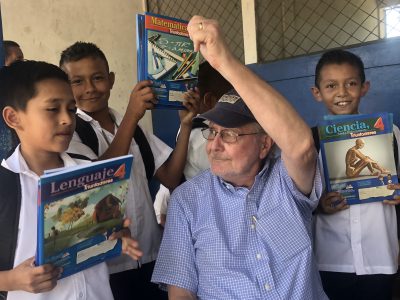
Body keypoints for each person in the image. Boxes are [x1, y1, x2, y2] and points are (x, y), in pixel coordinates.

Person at [151, 16, 327, 299]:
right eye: (212, 132)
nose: (214, 145)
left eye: (230, 134)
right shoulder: (187, 201)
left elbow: (302, 146)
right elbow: (181, 293)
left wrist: (224, 62)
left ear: (264, 144)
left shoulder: (286, 183)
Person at [59, 42, 199, 299]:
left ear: (111, 80)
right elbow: (101, 182)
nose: (90, 88)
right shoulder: (71, 134)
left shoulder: (134, 130)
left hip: (152, 254)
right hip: (108, 265)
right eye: (77, 82)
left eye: (98, 78)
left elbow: (170, 177)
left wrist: (186, 126)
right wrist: (132, 116)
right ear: (66, 87)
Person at [0, 60, 142, 300]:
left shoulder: (90, 173)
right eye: (53, 109)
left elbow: (101, 239)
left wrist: (118, 238)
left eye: (71, 109)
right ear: (13, 117)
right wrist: (11, 280)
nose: (67, 119)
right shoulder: (5, 186)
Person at [311, 49, 400, 300]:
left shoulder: (390, 133)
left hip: (380, 254)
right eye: (331, 85)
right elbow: (296, 195)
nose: (342, 92)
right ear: (316, 93)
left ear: (364, 87)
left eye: (351, 83)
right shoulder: (310, 141)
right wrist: (318, 205)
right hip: (330, 258)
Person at [153, 61, 233, 226]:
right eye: (230, 98)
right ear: (210, 100)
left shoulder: (191, 128)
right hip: (207, 216)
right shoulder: (203, 137)